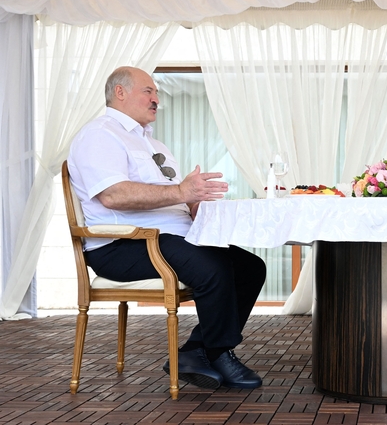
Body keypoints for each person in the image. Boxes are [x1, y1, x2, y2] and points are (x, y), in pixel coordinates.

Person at [67, 66, 267, 390]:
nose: (156, 99)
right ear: (120, 92)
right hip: (122, 244)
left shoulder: (153, 144)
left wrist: (195, 201)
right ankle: (217, 352)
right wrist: (180, 193)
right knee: (212, 267)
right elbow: (113, 194)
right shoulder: (99, 135)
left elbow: (175, 195)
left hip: (170, 236)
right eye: (148, 91)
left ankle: (194, 352)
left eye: (157, 93)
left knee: (250, 267)